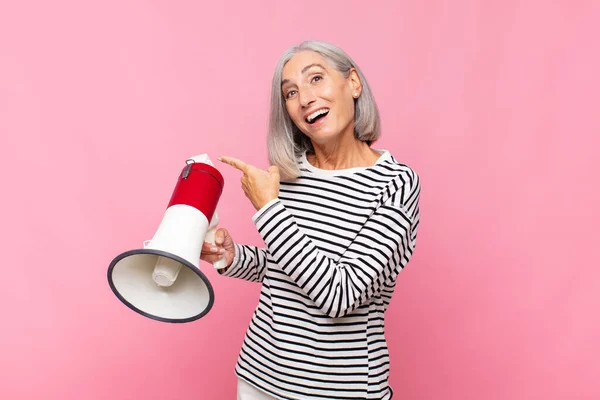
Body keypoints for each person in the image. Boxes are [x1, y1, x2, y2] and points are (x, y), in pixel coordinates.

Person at [201, 40, 421, 400]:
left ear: (353, 83)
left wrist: (268, 209)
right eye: (290, 92)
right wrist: (232, 256)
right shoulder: (290, 174)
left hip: (338, 391)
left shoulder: (396, 184)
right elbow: (287, 270)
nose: (304, 98)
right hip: (259, 378)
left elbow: (339, 294)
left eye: (316, 78)